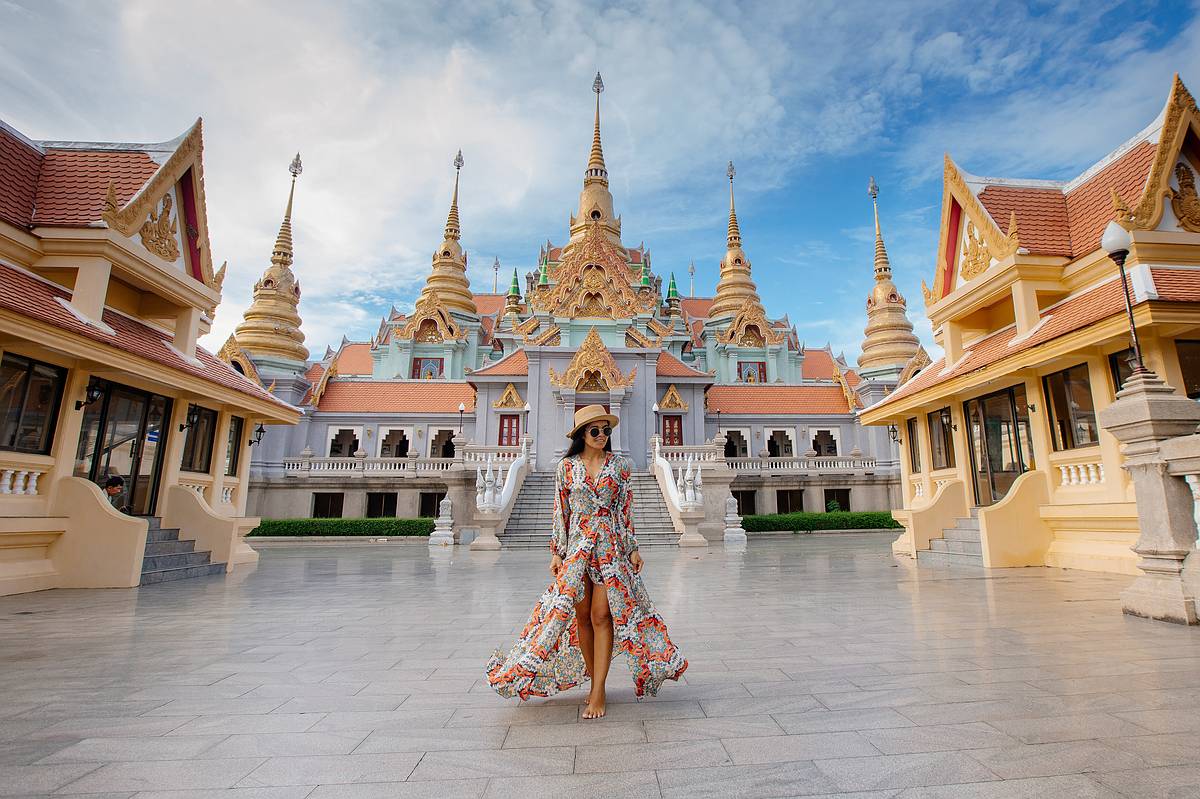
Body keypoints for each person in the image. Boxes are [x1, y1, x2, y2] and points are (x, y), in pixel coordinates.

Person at [485, 404, 687, 718]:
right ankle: (595, 683)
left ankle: (598, 690)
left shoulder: (620, 466)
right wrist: (556, 551)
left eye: (607, 430)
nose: (602, 436)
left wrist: (632, 547)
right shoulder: (566, 468)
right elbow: (561, 513)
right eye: (595, 431)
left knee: (601, 615)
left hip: (610, 546)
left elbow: (624, 510)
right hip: (577, 548)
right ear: (582, 434)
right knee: (580, 619)